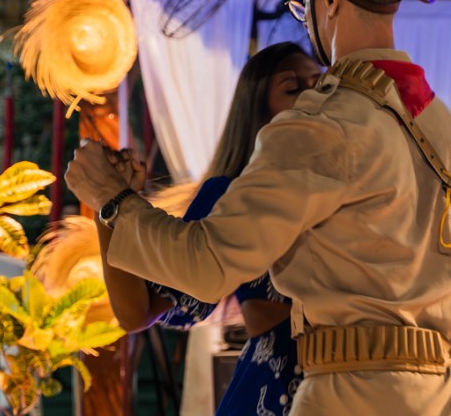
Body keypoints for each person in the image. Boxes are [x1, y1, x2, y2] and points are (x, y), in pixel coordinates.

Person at [65, 0, 451, 415]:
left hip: (361, 396)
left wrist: (112, 198)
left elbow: (207, 265)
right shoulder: (440, 124)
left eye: (302, 5)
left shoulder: (322, 125)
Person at [95, 42, 320, 415]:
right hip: (277, 392)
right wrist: (108, 204)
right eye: (293, 88)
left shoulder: (359, 182)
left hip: (364, 383)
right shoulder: (232, 195)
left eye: (322, 84)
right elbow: (137, 313)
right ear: (258, 114)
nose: (314, 97)